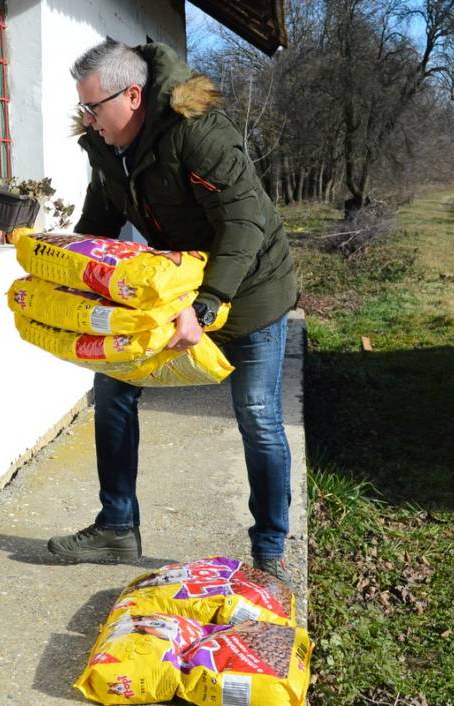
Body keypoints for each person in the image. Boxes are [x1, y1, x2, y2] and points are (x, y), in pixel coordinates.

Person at [47, 39, 297, 585]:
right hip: (173, 286)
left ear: (132, 96)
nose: (86, 119)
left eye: (93, 107)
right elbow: (104, 213)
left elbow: (243, 223)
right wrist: (68, 274)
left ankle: (271, 552)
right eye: (83, 109)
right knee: (112, 388)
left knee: (256, 415)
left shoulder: (199, 132)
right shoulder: (107, 143)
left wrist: (207, 305)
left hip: (250, 285)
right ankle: (116, 528)